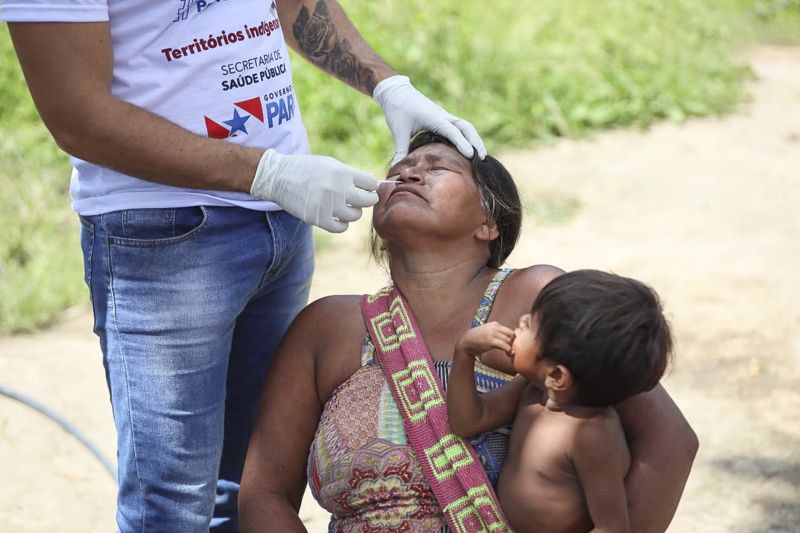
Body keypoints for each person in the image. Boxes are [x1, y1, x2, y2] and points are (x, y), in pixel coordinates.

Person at [2, 0, 486, 530]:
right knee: (173, 504)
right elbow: (79, 117)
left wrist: (387, 84)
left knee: (244, 481)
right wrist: (268, 173)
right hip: (164, 237)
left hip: (282, 219)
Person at [238, 132, 698, 532]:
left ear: (489, 223)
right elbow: (263, 494)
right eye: (400, 169)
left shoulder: (536, 299)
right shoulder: (326, 328)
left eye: (437, 168)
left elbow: (669, 441)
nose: (409, 175)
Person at [448, 269, 674, 532]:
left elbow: (611, 526)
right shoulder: (532, 390)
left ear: (556, 376)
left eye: (530, 324)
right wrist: (464, 352)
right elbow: (468, 421)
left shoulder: (593, 435)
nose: (520, 320)